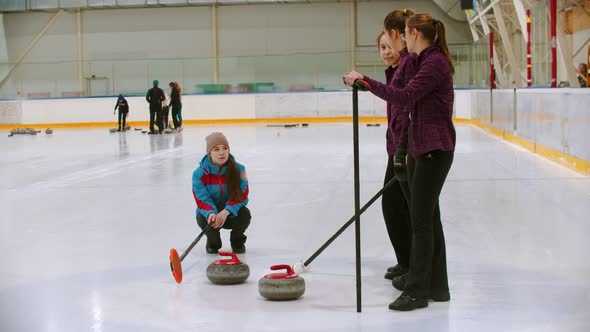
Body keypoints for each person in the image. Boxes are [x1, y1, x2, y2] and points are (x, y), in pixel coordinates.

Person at [345, 13, 455, 311]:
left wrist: (366, 82)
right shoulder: (422, 61)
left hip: (434, 149)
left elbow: (405, 97)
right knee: (428, 219)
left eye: (405, 34)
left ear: (415, 33)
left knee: (421, 222)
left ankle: (417, 291)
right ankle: (437, 286)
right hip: (422, 149)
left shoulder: (434, 63)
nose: (402, 41)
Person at [192, 132, 250, 254]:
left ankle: (237, 241)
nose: (222, 153)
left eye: (225, 148)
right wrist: (210, 213)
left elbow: (242, 195)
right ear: (209, 153)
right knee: (202, 217)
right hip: (212, 216)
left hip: (230, 213)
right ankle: (213, 241)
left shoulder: (239, 170)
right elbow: (201, 199)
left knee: (244, 214)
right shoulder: (199, 174)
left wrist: (226, 211)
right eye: (216, 149)